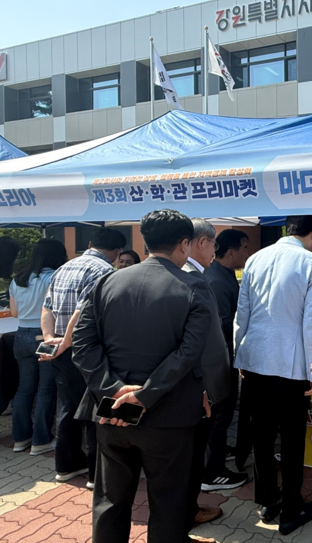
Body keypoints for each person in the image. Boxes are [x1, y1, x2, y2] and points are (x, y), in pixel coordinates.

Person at [71, 209, 228, 543]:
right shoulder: (193, 287)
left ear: (144, 241)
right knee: (168, 502)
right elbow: (190, 352)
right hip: (168, 414)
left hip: (111, 411)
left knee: (110, 501)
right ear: (185, 244)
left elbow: (82, 346)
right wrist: (144, 395)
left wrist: (113, 390)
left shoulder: (108, 281)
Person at [234, 215, 312, 535]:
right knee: (291, 439)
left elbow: (242, 313)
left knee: (261, 436)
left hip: (255, 360)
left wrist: (239, 356)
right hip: (291, 365)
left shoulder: (255, 259)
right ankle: (291, 508)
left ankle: (268, 499)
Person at [40, 227, 126, 487]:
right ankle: (95, 473)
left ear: (90, 244)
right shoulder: (104, 271)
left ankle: (66, 465)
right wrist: (67, 342)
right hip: (88, 350)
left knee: (67, 406)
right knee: (94, 409)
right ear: (117, 251)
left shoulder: (63, 268)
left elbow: (47, 307)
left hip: (60, 348)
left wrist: (50, 339)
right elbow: (81, 312)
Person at [180, 219, 244, 533]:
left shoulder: (212, 275)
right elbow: (208, 333)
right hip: (206, 374)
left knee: (213, 423)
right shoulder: (203, 279)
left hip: (206, 371)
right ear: (203, 243)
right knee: (213, 421)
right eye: (244, 248)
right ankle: (211, 473)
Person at [9, 238, 68, 455]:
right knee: (45, 389)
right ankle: (41, 440)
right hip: (45, 335)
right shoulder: (54, 277)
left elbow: (14, 312)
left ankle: (20, 438)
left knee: (24, 389)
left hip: (21, 334)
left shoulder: (18, 279)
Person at [202, 229, 250, 488]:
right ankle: (212, 472)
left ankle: (218, 453)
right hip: (220, 360)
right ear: (231, 252)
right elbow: (221, 327)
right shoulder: (217, 281)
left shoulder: (225, 274)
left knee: (223, 414)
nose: (247, 254)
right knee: (219, 414)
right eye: (244, 248)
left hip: (225, 358)